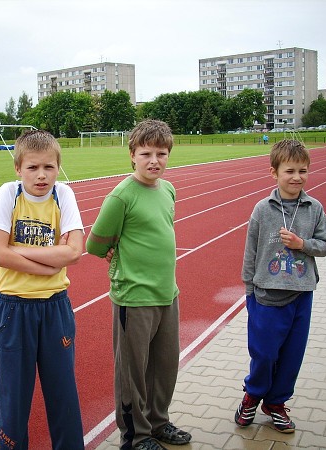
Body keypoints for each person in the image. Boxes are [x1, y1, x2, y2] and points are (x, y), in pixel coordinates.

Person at [86, 119, 192, 450]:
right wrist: (115, 254)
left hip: (167, 293)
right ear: (132, 155)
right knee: (133, 374)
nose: (154, 160)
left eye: (161, 153)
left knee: (164, 367)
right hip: (134, 298)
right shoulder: (121, 196)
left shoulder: (168, 189)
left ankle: (158, 423)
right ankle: (135, 436)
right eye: (146, 153)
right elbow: (95, 244)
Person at [0, 129, 85, 450]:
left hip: (55, 308)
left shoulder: (64, 195)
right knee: (13, 399)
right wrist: (50, 264)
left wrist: (19, 250)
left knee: (63, 395)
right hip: (14, 310)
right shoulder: (8, 194)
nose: (41, 175)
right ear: (18, 168)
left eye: (49, 167)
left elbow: (74, 252)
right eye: (32, 167)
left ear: (58, 167)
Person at [235, 139, 326, 433]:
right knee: (263, 353)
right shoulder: (262, 209)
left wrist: (303, 245)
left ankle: (276, 402)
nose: (297, 177)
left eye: (303, 171)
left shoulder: (314, 208)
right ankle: (253, 394)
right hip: (265, 294)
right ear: (274, 173)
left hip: (301, 294)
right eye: (289, 171)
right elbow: (250, 251)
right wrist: (249, 290)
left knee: (292, 354)